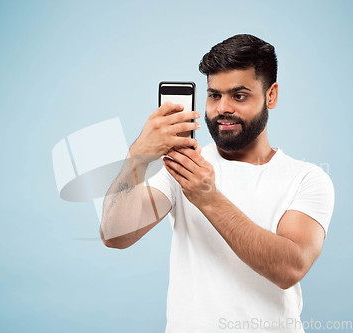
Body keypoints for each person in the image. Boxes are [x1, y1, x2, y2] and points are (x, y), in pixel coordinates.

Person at [100, 34, 335, 333]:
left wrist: (208, 198)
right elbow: (114, 235)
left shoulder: (307, 179)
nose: (223, 108)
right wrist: (138, 157)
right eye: (214, 95)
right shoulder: (184, 166)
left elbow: (290, 268)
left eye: (239, 95)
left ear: (271, 95)